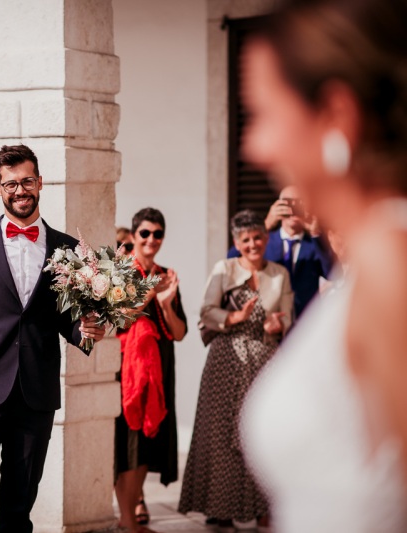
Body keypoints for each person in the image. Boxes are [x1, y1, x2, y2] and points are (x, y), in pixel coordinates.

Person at [239, 0, 407, 530]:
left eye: (265, 114)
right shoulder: (373, 258)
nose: (253, 146)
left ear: (336, 114)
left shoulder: (390, 265)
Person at [0, 144, 107, 532]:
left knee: (18, 512)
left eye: (27, 181)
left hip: (36, 394)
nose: (20, 190)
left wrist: (87, 330)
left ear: (40, 182)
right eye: (11, 184)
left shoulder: (67, 248)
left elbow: (65, 320)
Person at [178, 210, 293, 527]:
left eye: (257, 238)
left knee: (261, 431)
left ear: (266, 238)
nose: (253, 244)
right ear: (236, 243)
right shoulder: (224, 268)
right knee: (220, 433)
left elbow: (287, 314)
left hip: (265, 360)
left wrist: (277, 324)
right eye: (246, 240)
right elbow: (206, 310)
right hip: (226, 360)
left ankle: (259, 508)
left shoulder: (280, 274)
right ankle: (219, 508)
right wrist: (233, 317)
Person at [114, 208, 186, 531]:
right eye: (145, 233)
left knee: (148, 442)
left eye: (158, 234)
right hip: (128, 369)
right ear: (133, 236)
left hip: (160, 366)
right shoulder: (121, 271)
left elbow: (180, 333)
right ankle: (128, 520)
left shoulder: (167, 274)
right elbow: (118, 319)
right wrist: (150, 292)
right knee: (129, 445)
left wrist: (167, 303)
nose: (151, 239)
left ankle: (130, 518)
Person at [228, 186, 332, 317]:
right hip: (270, 317)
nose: (293, 209)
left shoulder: (315, 243)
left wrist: (315, 233)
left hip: (306, 318)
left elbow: (332, 274)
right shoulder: (264, 241)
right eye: (288, 203)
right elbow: (232, 259)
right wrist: (265, 225)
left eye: (299, 203)